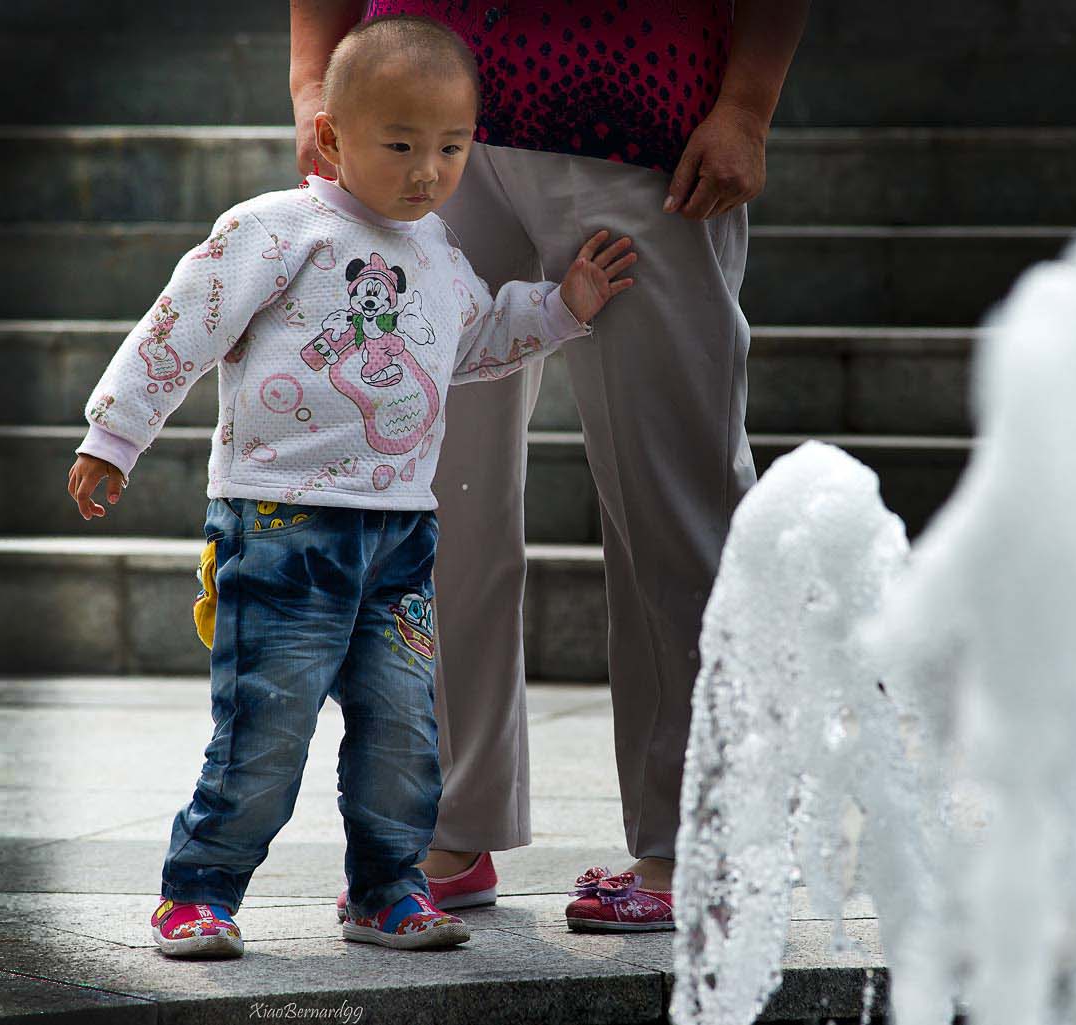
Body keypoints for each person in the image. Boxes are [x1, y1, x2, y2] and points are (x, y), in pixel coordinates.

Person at [66, 14, 636, 958]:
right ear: (331, 137)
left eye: (451, 147)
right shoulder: (276, 230)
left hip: (400, 539)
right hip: (281, 525)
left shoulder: (443, 255)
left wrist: (561, 309)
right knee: (266, 730)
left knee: (404, 735)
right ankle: (197, 891)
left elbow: (478, 344)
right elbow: (181, 327)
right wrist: (114, 435)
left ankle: (387, 887)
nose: (429, 172)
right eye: (402, 145)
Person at [290, 0, 810, 932]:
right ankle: (448, 820)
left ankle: (695, 839)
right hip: (423, 120)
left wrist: (750, 105)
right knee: (433, 492)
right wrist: (310, 85)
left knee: (674, 498)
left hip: (641, 113)